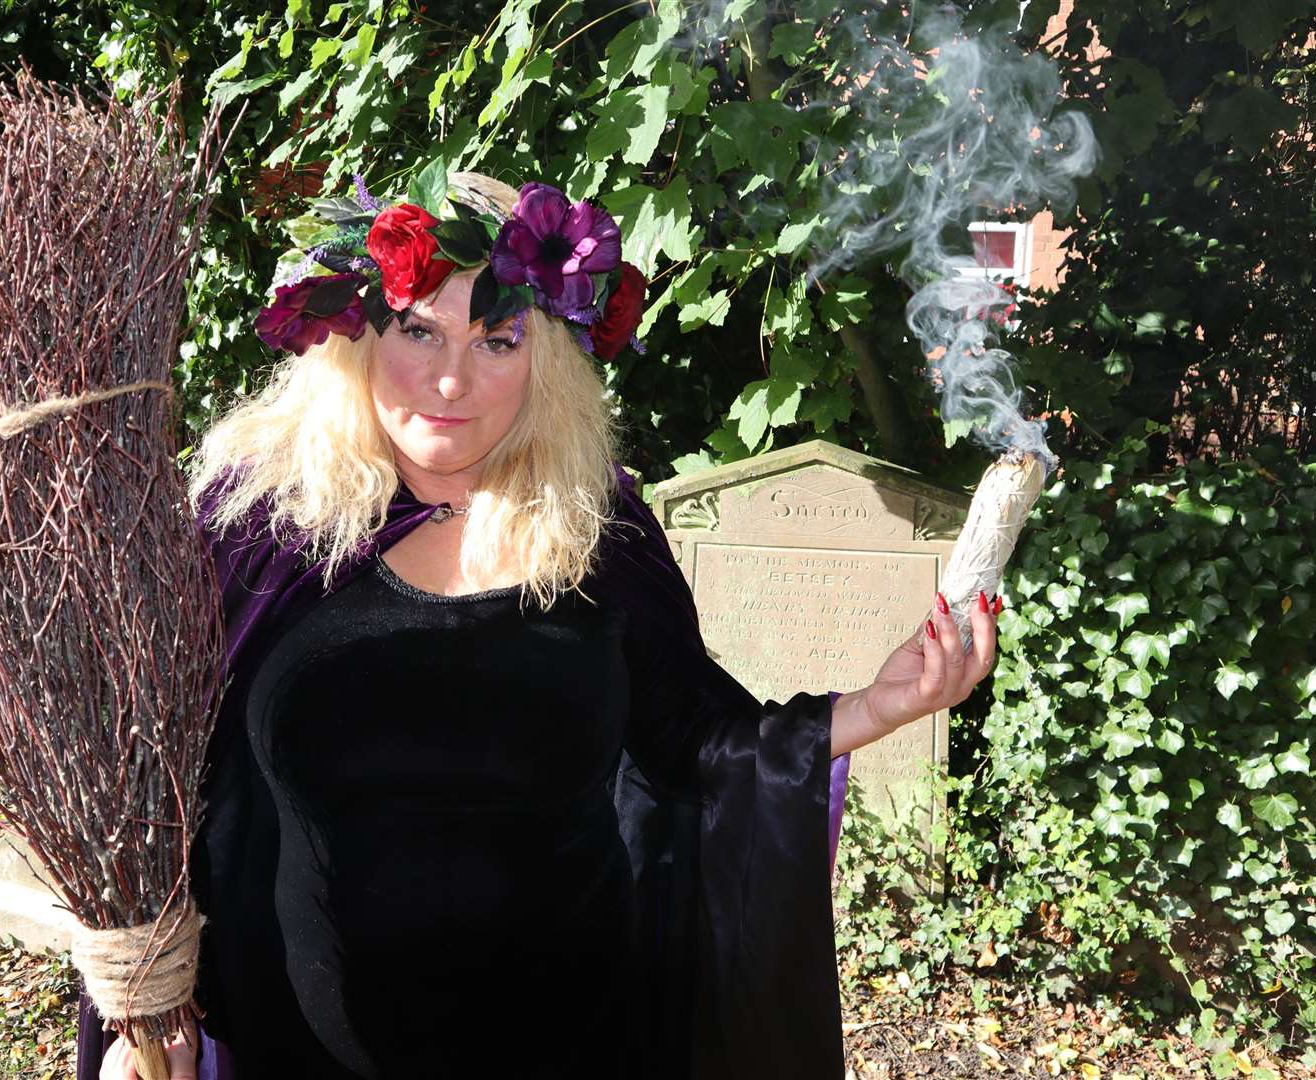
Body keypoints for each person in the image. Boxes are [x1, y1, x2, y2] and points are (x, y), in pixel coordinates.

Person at [80, 172, 1001, 1080]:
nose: (450, 379)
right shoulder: (261, 533)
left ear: (544, 360)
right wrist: (145, 1021)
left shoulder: (595, 529)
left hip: (574, 1043)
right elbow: (160, 781)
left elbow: (692, 741)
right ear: (357, 340)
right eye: (417, 330)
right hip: (300, 1048)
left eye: (496, 341)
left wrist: (881, 705)